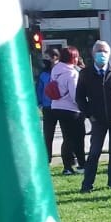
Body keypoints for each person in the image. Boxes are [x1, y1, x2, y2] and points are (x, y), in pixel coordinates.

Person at [75, 40, 111, 192]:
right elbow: (80, 97)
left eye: (105, 51)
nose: (102, 54)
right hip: (98, 120)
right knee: (94, 153)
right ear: (93, 54)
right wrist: (89, 114)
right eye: (99, 51)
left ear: (109, 54)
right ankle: (87, 185)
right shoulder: (86, 73)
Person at [44, 45, 84, 175]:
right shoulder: (72, 73)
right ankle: (81, 164)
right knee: (77, 138)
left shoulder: (56, 70)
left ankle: (67, 166)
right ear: (74, 58)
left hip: (56, 106)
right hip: (71, 110)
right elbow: (74, 95)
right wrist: (82, 107)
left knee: (66, 138)